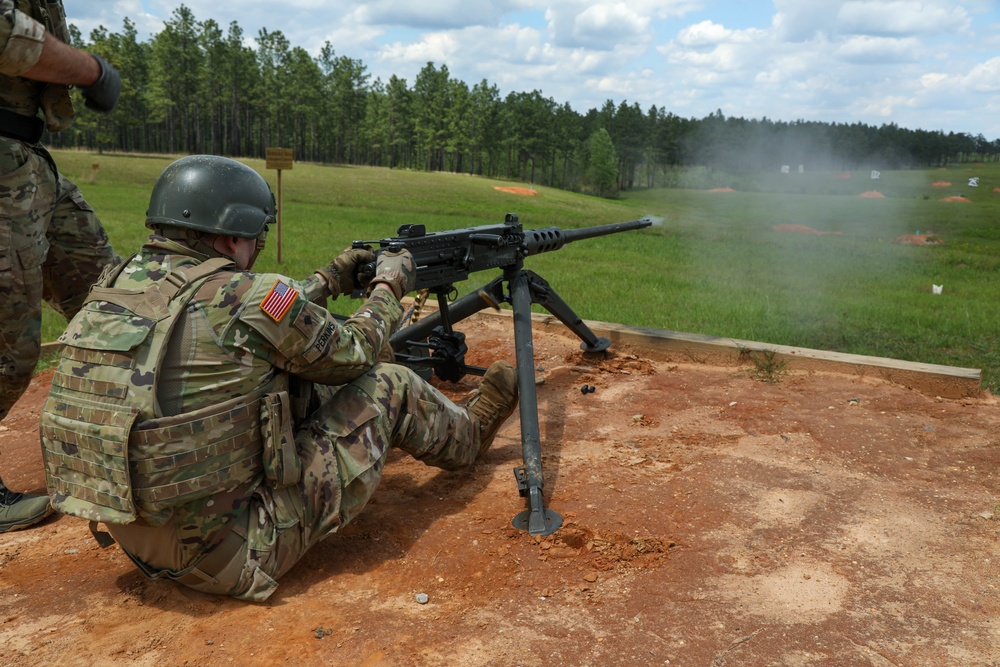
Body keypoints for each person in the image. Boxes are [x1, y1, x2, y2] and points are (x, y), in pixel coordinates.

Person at [39, 155, 519, 601]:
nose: (255, 248)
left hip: (139, 538)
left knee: (297, 379)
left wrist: (328, 280)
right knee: (388, 382)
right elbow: (353, 353)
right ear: (230, 237)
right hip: (232, 555)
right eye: (255, 236)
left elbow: (228, 314)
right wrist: (388, 286)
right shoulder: (249, 296)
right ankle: (469, 435)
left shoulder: (116, 283)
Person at [0, 0, 121, 532]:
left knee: (114, 296)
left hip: (24, 156)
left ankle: (131, 432)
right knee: (9, 342)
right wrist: (91, 69)